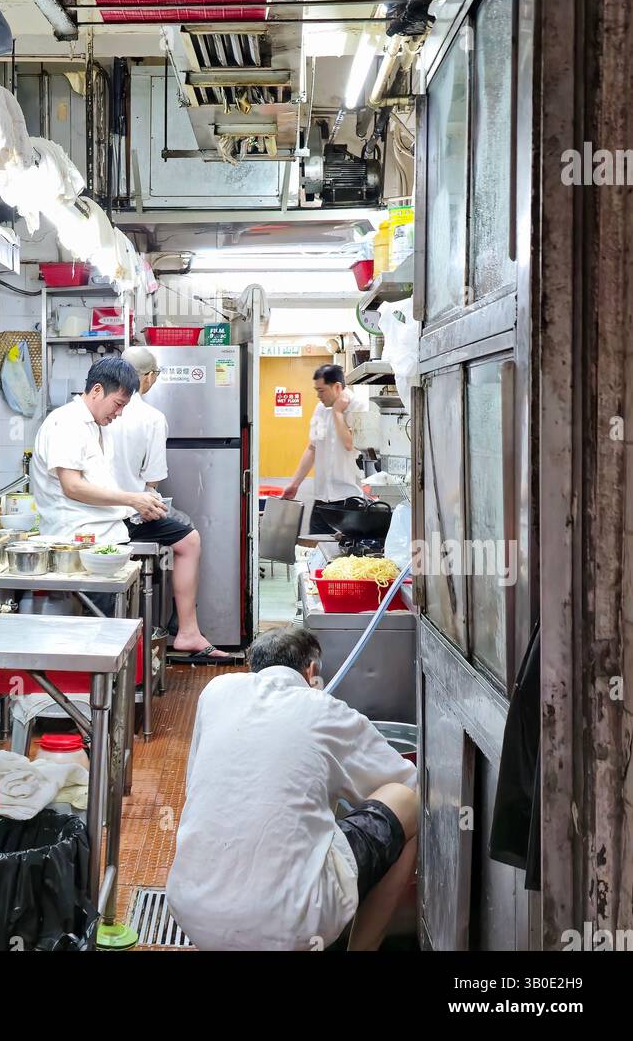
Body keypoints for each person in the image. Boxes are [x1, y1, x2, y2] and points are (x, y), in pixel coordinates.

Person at [165, 624, 418, 952]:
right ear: (311, 671)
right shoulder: (326, 710)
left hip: (192, 910)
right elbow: (406, 780)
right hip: (290, 925)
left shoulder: (215, 691)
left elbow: (198, 786)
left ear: (252, 668)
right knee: (408, 802)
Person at [108, 345, 228, 662]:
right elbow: (152, 483)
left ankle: (172, 623)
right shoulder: (151, 417)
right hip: (126, 521)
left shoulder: (92, 410)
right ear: (146, 378)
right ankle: (186, 630)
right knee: (188, 538)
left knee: (178, 522)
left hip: (91, 516)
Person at [30, 355, 166, 543]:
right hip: (74, 539)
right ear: (96, 390)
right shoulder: (67, 422)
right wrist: (132, 499)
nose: (119, 413)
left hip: (104, 534)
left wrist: (136, 505)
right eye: (118, 404)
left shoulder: (97, 426)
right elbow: (73, 487)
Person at [282, 363, 365, 510]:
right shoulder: (320, 409)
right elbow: (313, 448)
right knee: (313, 534)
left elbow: (349, 444)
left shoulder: (358, 406)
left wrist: (337, 412)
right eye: (316, 390)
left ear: (337, 387)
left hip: (349, 497)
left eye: (321, 390)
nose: (318, 395)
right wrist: (295, 484)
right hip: (322, 497)